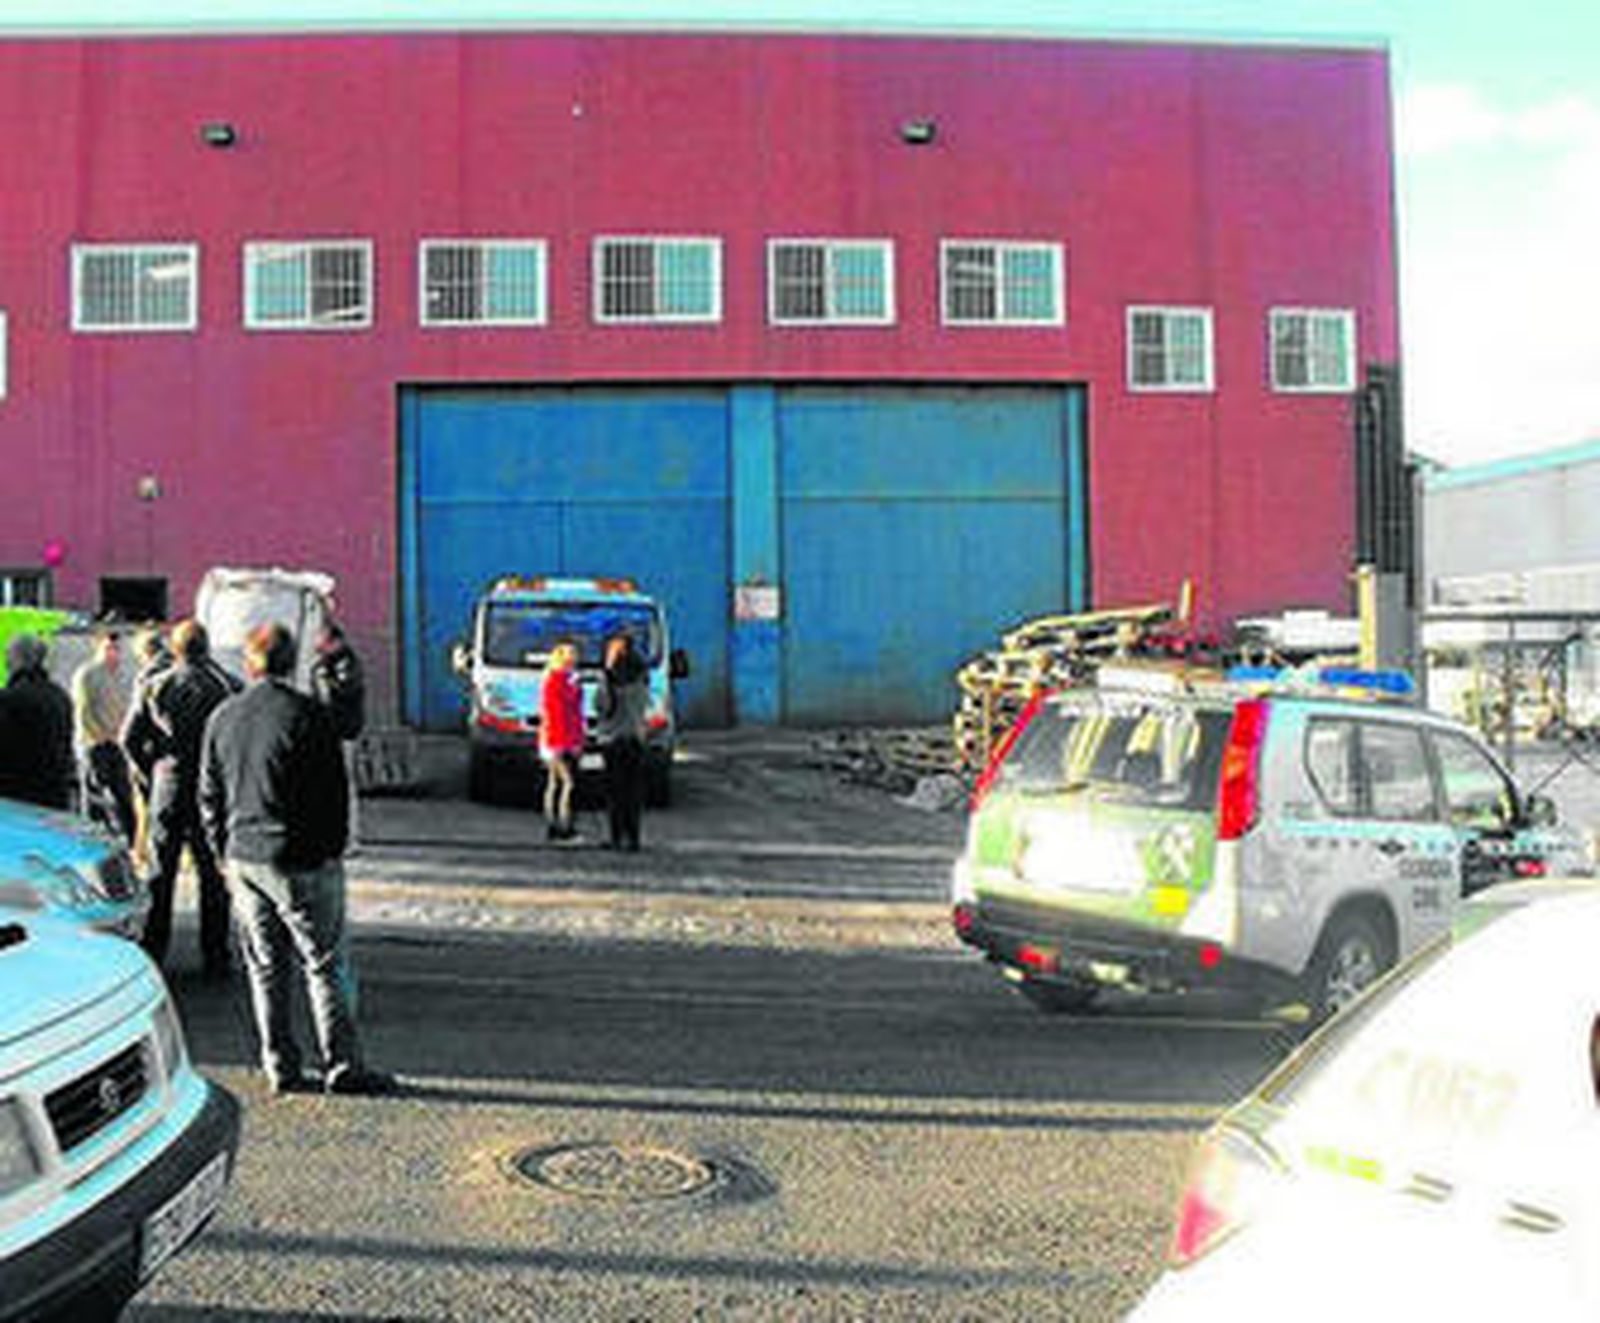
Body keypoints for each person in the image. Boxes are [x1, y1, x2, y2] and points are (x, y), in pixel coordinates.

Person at [200, 621, 392, 1096]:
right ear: (291, 661)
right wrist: (330, 850)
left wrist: (222, 853)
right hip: (300, 858)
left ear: (249, 662)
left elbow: (208, 794)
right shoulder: (309, 716)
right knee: (324, 962)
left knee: (266, 965)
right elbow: (332, 794)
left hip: (244, 857)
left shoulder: (223, 716)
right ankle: (342, 1063)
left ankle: (279, 1063)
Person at [124, 619, 239, 976]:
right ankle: (216, 955)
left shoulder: (156, 686)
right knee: (212, 874)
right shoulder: (226, 686)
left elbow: (128, 739)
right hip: (210, 788)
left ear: (175, 649)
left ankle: (154, 948)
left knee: (161, 871)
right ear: (206, 648)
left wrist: (151, 773)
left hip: (168, 784)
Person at [72, 630, 138, 845]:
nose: (113, 653)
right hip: (95, 744)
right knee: (96, 795)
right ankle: (93, 840)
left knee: (123, 794)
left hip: (118, 743)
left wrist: (121, 735)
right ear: (98, 648)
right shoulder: (87, 674)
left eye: (117, 648)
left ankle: (130, 841)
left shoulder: (124, 675)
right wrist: (99, 736)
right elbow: (83, 711)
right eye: (108, 648)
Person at [309, 619, 365, 852]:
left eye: (321, 640)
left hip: (342, 731)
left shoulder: (345, 663)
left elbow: (336, 695)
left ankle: (349, 838)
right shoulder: (329, 663)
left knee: (343, 786)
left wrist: (323, 677)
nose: (317, 645)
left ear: (333, 641)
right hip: (331, 731)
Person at [0, 634, 74, 809]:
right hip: (55, 794)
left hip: (18, 797)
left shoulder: (9, 699)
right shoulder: (60, 696)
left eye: (7, 656)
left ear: (17, 660)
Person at [122, 625, 173, 869]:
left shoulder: (148, 677)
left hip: (155, 758)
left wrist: (141, 767)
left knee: (147, 813)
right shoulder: (180, 667)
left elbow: (130, 735)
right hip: (183, 761)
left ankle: (143, 856)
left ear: (144, 652)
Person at [596, 632, 649, 851]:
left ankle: (616, 836)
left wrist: (605, 679)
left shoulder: (610, 678)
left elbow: (603, 707)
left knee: (615, 793)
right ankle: (633, 837)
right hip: (635, 737)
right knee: (633, 792)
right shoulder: (641, 675)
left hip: (614, 738)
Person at [538, 639, 584, 842]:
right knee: (568, 784)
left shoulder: (569, 681)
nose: (574, 659)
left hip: (566, 740)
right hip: (556, 741)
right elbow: (557, 715)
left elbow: (576, 715)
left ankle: (554, 826)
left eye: (575, 655)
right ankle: (564, 827)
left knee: (555, 783)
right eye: (569, 656)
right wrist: (566, 743)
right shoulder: (555, 682)